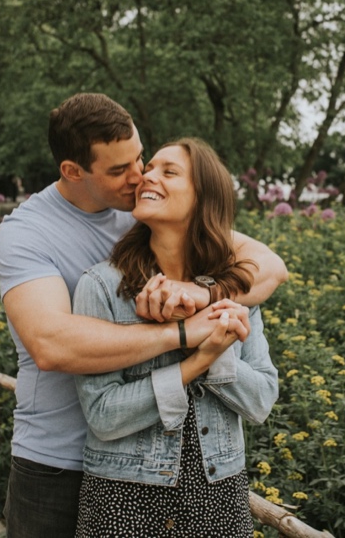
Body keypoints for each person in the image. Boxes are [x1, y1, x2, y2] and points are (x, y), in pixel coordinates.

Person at [0, 93, 287, 537]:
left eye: (142, 159)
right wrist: (187, 336)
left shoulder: (144, 211)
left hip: (189, 471)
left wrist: (202, 291)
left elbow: (269, 266)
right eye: (120, 170)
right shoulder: (28, 233)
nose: (139, 177)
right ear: (74, 172)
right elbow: (50, 345)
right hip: (57, 460)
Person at [71, 137, 277, 537]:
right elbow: (103, 415)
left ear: (203, 198)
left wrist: (215, 347)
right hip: (123, 494)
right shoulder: (102, 286)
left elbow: (262, 399)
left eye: (169, 172)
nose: (147, 175)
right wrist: (199, 359)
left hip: (220, 494)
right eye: (151, 168)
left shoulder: (233, 288)